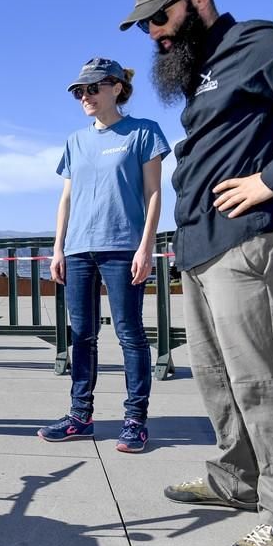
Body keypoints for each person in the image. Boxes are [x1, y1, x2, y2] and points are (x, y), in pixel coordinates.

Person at [120, 0, 273, 546]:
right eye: (145, 28)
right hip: (202, 246)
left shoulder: (253, 42)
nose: (155, 35)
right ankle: (238, 478)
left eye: (159, 19)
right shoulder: (205, 72)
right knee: (218, 379)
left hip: (250, 242)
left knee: (263, 379)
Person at [40, 58, 169, 453]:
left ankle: (135, 419)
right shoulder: (75, 141)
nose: (85, 97)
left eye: (92, 88)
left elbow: (153, 193)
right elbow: (66, 197)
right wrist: (58, 247)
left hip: (123, 247)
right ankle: (80, 415)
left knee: (130, 333)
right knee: (82, 335)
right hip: (78, 249)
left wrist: (146, 246)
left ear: (116, 87)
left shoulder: (143, 132)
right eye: (79, 91)